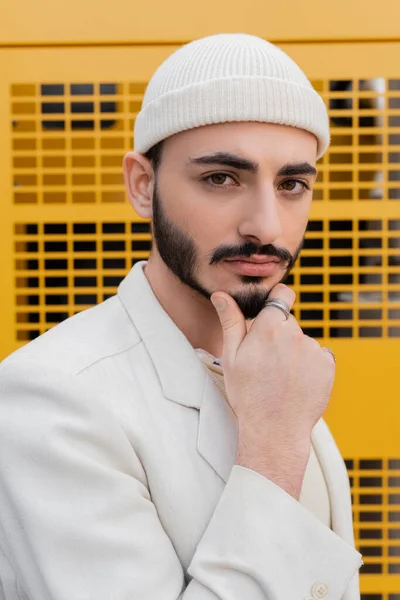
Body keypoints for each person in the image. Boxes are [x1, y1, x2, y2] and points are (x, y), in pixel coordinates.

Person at [0, 33, 362, 600]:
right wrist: (272, 447)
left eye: (292, 184)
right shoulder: (53, 396)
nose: (266, 227)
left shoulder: (270, 369)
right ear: (143, 186)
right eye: (221, 178)